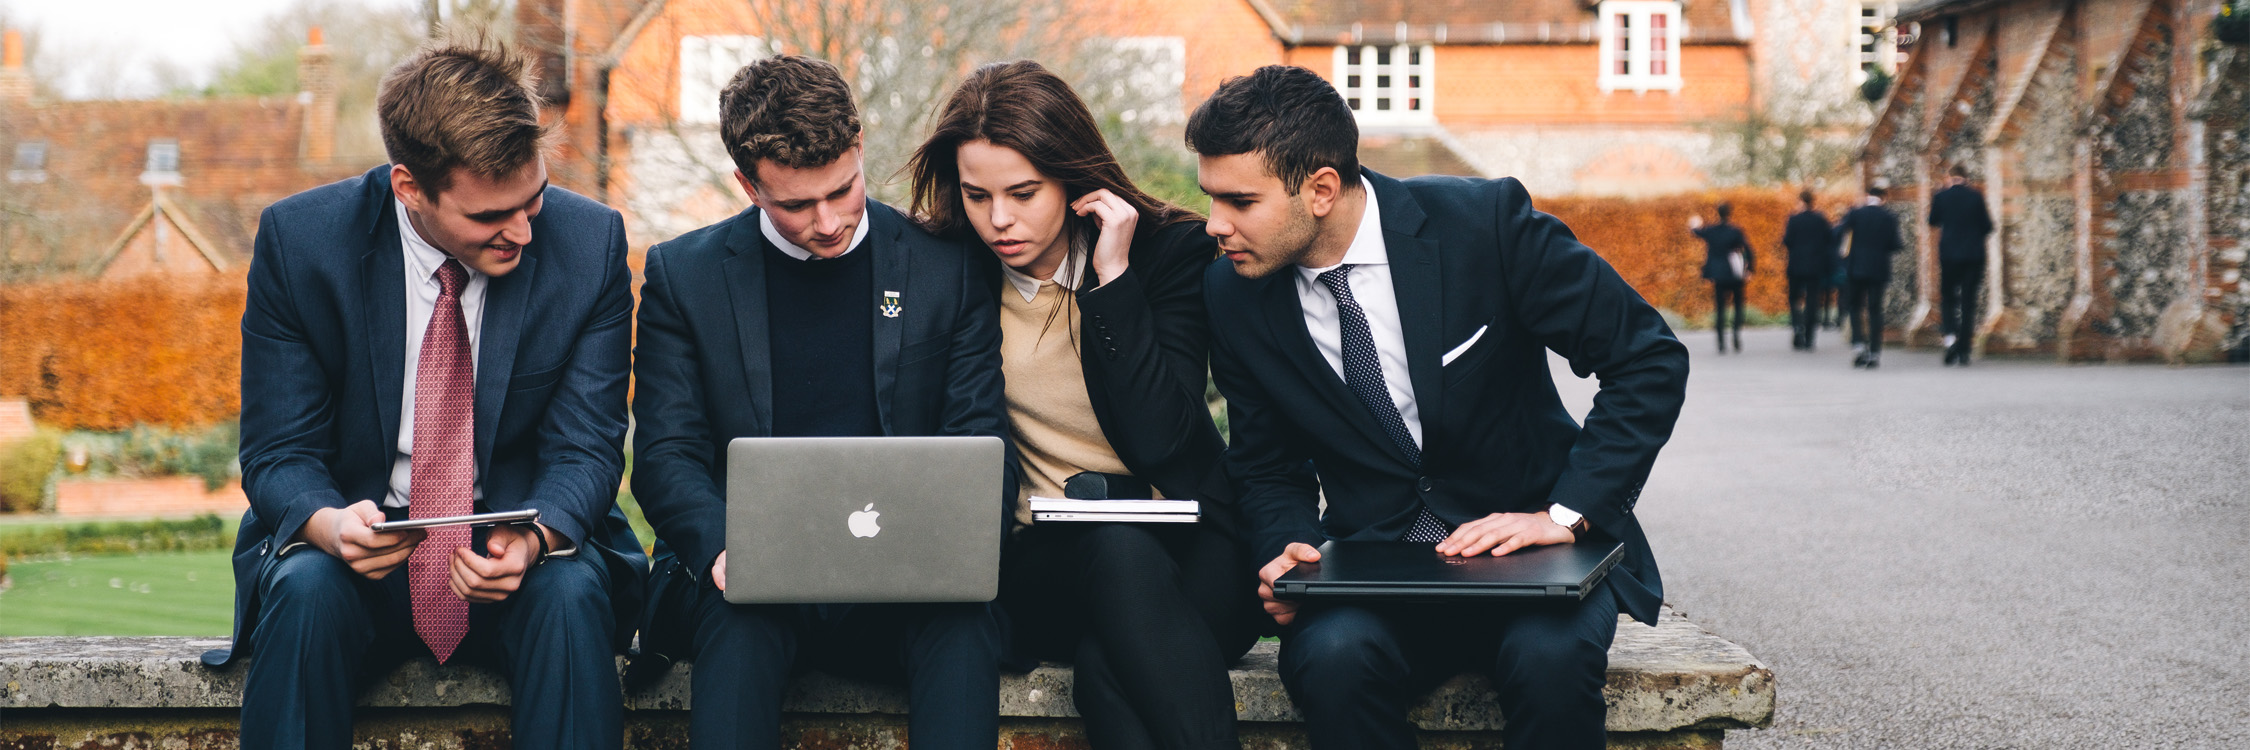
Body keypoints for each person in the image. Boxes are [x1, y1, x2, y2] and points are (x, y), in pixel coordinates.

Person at [1190, 66, 1690, 750]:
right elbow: (1266, 465)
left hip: (1535, 556)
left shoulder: (1484, 225)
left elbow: (1647, 358)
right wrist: (1289, 552)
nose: (1215, 225)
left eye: (1239, 201)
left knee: (1549, 663)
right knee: (1332, 661)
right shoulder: (1232, 291)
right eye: (1210, 198)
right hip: (1371, 564)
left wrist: (1564, 516)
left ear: (1322, 190)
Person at [218, 33, 646, 750]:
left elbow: (589, 450)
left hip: (514, 559)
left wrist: (537, 539)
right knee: (302, 593)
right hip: (357, 558)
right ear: (409, 187)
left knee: (574, 596)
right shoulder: (301, 243)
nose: (522, 233)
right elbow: (277, 451)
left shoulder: (590, 244)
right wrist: (329, 525)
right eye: (488, 217)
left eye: (532, 200)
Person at [629, 54, 1009, 750]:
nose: (828, 222)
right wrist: (720, 549)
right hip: (746, 581)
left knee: (963, 625)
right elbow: (663, 454)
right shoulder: (683, 277)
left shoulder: (947, 267)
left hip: (907, 582)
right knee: (739, 626)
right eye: (797, 205)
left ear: (859, 149)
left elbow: (978, 436)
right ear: (747, 185)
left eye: (843, 190)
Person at [905, 60, 1260, 750]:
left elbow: (1164, 438)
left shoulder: (1168, 253)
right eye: (977, 196)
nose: (998, 219)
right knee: (1114, 547)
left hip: (1193, 546)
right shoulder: (949, 269)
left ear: (1071, 175)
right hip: (1044, 561)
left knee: (1107, 667)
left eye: (1023, 192)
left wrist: (1114, 282)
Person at [1929, 164, 1994, 366]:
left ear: (1950, 177)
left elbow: (1932, 221)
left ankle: (1950, 338)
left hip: (1949, 255)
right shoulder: (1976, 196)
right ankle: (1964, 349)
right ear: (1966, 177)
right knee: (1968, 302)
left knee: (1948, 298)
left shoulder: (1941, 196)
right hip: (1973, 255)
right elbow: (1988, 226)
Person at [1836, 180, 1905, 369]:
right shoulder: (1889, 217)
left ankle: (1858, 345)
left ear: (1868, 196)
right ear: (1884, 198)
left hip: (1856, 268)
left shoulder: (1855, 213)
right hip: (1878, 268)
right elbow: (1896, 244)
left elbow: (1839, 233)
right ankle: (1874, 352)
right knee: (1875, 310)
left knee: (1854, 307)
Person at [1689, 203, 1754, 354]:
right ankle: (1736, 335)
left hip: (1718, 274)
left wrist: (1693, 224)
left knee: (1720, 308)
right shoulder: (1735, 231)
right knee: (1738, 306)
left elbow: (1697, 232)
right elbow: (1748, 249)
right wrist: (1750, 269)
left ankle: (1720, 342)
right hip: (1735, 273)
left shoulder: (1712, 230)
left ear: (1718, 213)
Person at [1783, 191, 1835, 351]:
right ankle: (1810, 336)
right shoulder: (1820, 219)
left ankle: (1798, 326)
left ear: (1800, 201)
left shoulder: (1793, 219)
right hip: (1815, 265)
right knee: (1813, 300)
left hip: (1797, 264)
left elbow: (1787, 241)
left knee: (1794, 298)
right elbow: (1829, 240)